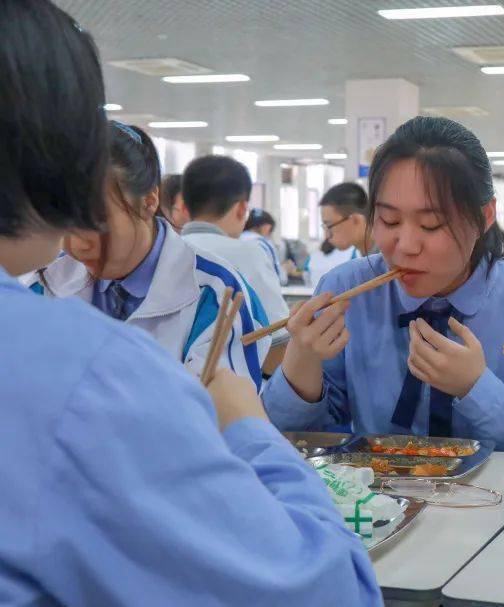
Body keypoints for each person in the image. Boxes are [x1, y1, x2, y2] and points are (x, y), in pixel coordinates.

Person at [0, 2, 382, 604]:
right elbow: (327, 590)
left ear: (153, 202)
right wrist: (249, 427)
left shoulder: (213, 290)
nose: (80, 244)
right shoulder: (78, 362)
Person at [262, 116, 504, 457]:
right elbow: (288, 440)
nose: (405, 244)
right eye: (389, 220)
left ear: (484, 217)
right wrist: (301, 360)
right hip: (378, 504)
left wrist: (477, 389)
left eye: (431, 224)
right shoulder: (346, 290)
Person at [30, 122, 270, 386]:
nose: (77, 244)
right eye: (63, 222)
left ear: (149, 200)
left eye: (96, 221)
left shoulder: (216, 296)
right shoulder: (44, 286)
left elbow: (223, 415)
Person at [179, 155, 291, 338]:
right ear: (241, 209)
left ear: (184, 208)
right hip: (228, 366)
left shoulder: (161, 251)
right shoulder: (249, 254)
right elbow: (277, 329)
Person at [242, 207, 289, 285]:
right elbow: (280, 279)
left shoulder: (236, 239)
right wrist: (285, 269)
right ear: (267, 226)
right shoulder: (263, 243)